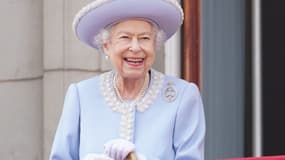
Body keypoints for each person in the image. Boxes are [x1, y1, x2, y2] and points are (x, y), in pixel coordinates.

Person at [50, 0, 206, 160]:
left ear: (155, 44)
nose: (136, 47)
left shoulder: (183, 97)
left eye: (144, 38)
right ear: (106, 46)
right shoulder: (81, 96)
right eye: (125, 37)